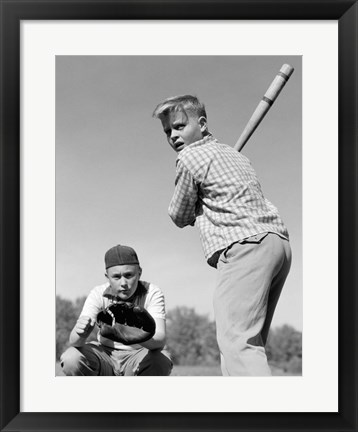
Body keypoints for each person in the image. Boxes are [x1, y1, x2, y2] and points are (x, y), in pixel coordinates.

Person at [152, 95, 292, 376]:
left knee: (237, 343)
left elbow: (179, 215)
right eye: (168, 131)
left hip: (244, 247)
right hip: (277, 243)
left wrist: (195, 207)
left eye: (179, 126)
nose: (173, 135)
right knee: (243, 345)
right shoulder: (235, 155)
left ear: (202, 124)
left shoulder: (189, 157)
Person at [60, 244, 172, 376]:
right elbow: (74, 341)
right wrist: (81, 334)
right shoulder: (97, 293)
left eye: (129, 275)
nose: (123, 283)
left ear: (139, 272)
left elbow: (160, 341)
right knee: (71, 358)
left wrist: (134, 336)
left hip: (138, 356)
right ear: (107, 276)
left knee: (161, 360)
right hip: (105, 355)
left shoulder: (152, 292)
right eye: (117, 277)